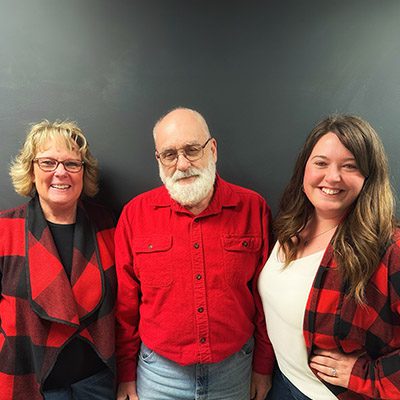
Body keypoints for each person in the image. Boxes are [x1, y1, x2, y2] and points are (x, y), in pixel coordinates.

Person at [115, 107, 274, 400]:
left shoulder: (253, 209)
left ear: (212, 149)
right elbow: (125, 306)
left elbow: (266, 298)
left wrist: (263, 366)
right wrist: (125, 374)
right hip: (158, 375)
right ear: (158, 159)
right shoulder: (135, 215)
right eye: (170, 154)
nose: (183, 163)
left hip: (235, 370)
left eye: (192, 149)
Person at [258, 114, 399, 399]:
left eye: (350, 166)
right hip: (283, 381)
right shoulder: (290, 225)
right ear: (304, 170)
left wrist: (364, 374)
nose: (332, 177)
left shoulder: (390, 248)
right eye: (321, 163)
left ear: (368, 178)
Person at [0, 120, 116, 399]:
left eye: (72, 164)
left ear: (83, 172)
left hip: (96, 384)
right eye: (48, 162)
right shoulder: (4, 229)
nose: (61, 172)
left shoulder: (107, 225)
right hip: (27, 381)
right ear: (31, 169)